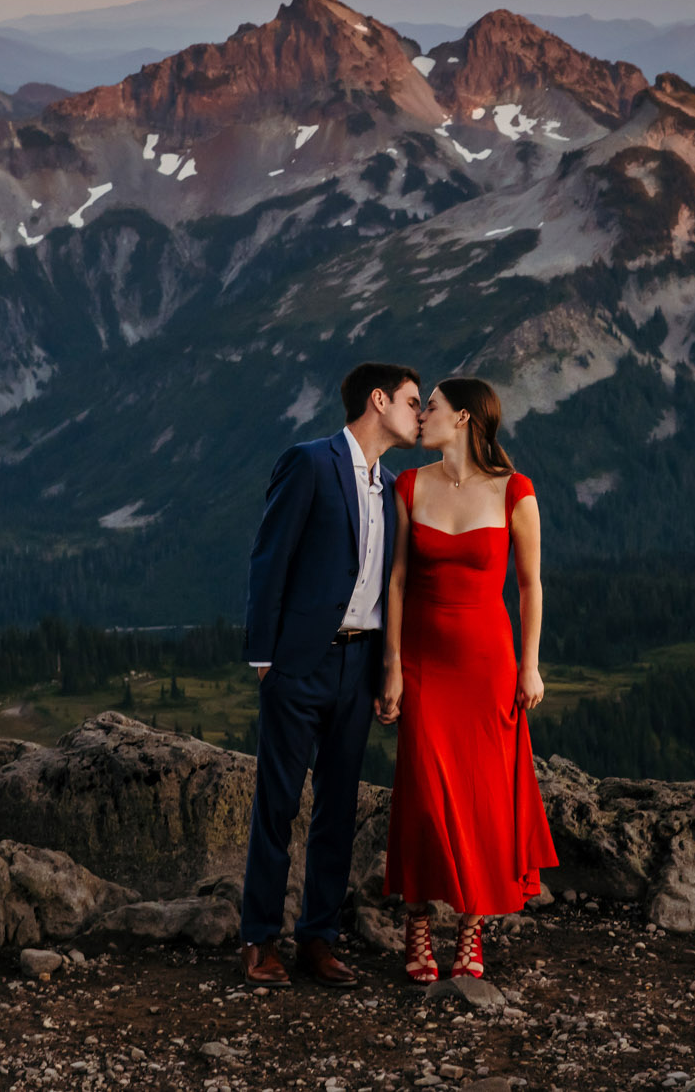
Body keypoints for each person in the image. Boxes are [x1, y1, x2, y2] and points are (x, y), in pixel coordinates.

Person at [237, 360, 422, 988]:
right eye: (411, 401)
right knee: (278, 804)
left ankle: (319, 940)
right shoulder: (310, 461)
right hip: (298, 664)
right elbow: (269, 556)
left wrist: (385, 672)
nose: (419, 413)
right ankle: (260, 940)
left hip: (358, 665)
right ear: (378, 400)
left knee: (338, 809)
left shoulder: (393, 485)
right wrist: (266, 658)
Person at [377, 376, 559, 983]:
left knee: (483, 798)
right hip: (425, 662)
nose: (419, 417)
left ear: (461, 419)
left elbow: (530, 585)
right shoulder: (410, 485)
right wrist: (393, 669)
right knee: (425, 793)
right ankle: (418, 920)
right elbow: (396, 582)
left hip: (488, 665)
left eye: (429, 407)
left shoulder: (516, 491)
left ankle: (472, 929)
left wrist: (530, 665)